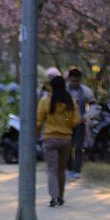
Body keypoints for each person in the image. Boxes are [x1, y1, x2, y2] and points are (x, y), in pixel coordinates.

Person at [36, 75, 78, 207]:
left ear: (51, 87)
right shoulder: (70, 101)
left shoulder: (45, 101)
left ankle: (54, 197)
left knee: (52, 170)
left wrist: (37, 134)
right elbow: (75, 120)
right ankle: (61, 197)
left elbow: (39, 121)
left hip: (50, 139)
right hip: (66, 139)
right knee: (61, 169)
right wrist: (66, 123)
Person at [65, 67, 95, 179]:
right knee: (67, 146)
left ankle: (77, 170)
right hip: (66, 122)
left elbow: (93, 105)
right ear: (69, 79)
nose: (74, 83)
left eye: (76, 81)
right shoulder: (64, 90)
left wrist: (86, 117)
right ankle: (68, 168)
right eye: (72, 81)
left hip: (80, 122)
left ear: (80, 80)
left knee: (79, 146)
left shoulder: (86, 91)